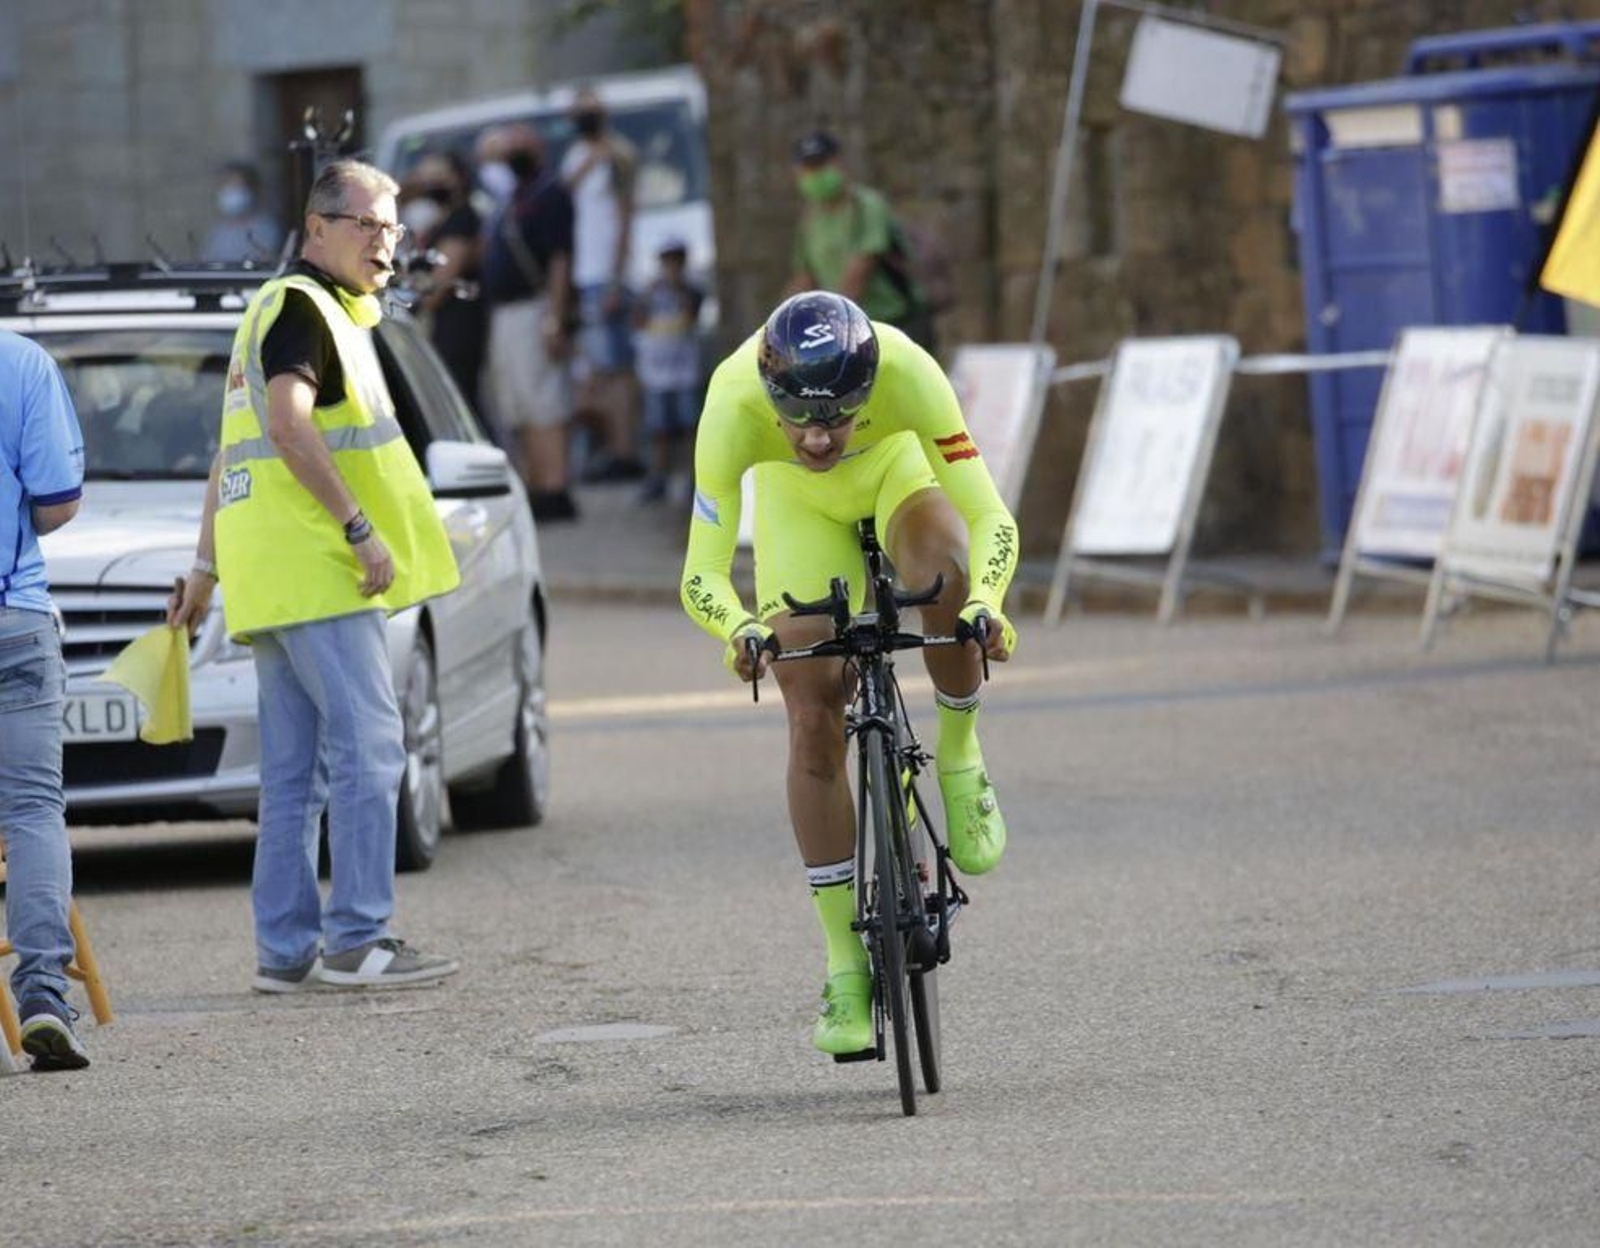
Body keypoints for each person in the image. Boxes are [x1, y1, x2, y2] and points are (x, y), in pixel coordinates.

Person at [680, 291, 1017, 1057]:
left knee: (946, 577)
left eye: (838, 415)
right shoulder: (732, 401)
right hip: (798, 516)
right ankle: (843, 963)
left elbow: (991, 515)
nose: (820, 435)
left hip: (897, 479)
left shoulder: (909, 371)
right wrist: (739, 628)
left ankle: (961, 756)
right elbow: (701, 568)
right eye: (798, 417)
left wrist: (989, 602)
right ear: (771, 397)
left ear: (871, 387)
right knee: (808, 709)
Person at [168, 159, 461, 993]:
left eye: (393, 226)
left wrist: (204, 567)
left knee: (295, 772)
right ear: (317, 228)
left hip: (274, 574)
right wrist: (360, 528)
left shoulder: (284, 311)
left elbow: (233, 449)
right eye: (366, 224)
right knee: (372, 747)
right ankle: (359, 939)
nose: (385, 242)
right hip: (317, 566)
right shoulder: (303, 309)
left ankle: (286, 951)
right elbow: (289, 431)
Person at [0, 329, 88, 1071]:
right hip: (13, 620)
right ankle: (41, 997)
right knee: (32, 809)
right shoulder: (22, 362)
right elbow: (58, 502)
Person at [480, 125, 580, 521]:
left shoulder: (550, 194)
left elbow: (560, 259)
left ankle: (554, 487)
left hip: (534, 308)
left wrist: (555, 318)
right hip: (506, 311)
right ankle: (538, 485)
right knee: (518, 404)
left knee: (543, 401)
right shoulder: (511, 199)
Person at [786, 130, 935, 352]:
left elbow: (860, 271)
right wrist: (783, 323)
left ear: (838, 163)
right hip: (848, 328)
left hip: (893, 324)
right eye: (809, 167)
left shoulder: (867, 207)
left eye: (821, 164)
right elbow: (804, 278)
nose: (815, 173)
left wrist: (827, 326)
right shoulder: (811, 220)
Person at [561, 87, 644, 483]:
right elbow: (565, 194)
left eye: (589, 112)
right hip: (585, 275)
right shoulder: (577, 155)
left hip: (609, 276)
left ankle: (624, 449)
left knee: (617, 367)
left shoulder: (620, 155)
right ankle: (611, 448)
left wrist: (616, 277)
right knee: (597, 368)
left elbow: (627, 215)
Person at [400, 151, 486, 413]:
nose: (432, 185)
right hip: (443, 327)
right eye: (427, 178)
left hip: (457, 328)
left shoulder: (462, 218)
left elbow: (440, 283)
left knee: (460, 403)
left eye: (440, 177)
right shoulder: (438, 220)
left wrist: (414, 299)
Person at [632, 237, 703, 504]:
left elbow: (691, 312)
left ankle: (693, 477)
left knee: (689, 425)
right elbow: (638, 320)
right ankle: (658, 478)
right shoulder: (649, 293)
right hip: (657, 372)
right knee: (659, 428)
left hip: (684, 370)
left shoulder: (691, 290)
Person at [200, 161, 284, 263]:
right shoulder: (218, 232)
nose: (230, 192)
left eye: (236, 186)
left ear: (251, 190)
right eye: (226, 186)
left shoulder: (266, 230)